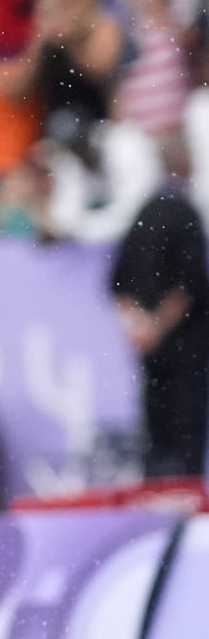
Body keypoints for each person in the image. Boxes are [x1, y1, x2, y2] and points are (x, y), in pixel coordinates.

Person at [111, 136, 209, 480]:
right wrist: (158, 325)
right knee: (186, 437)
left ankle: (158, 501)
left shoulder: (144, 211)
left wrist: (141, 326)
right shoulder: (185, 213)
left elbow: (118, 283)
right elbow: (189, 285)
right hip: (185, 348)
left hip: (152, 348)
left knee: (157, 435)